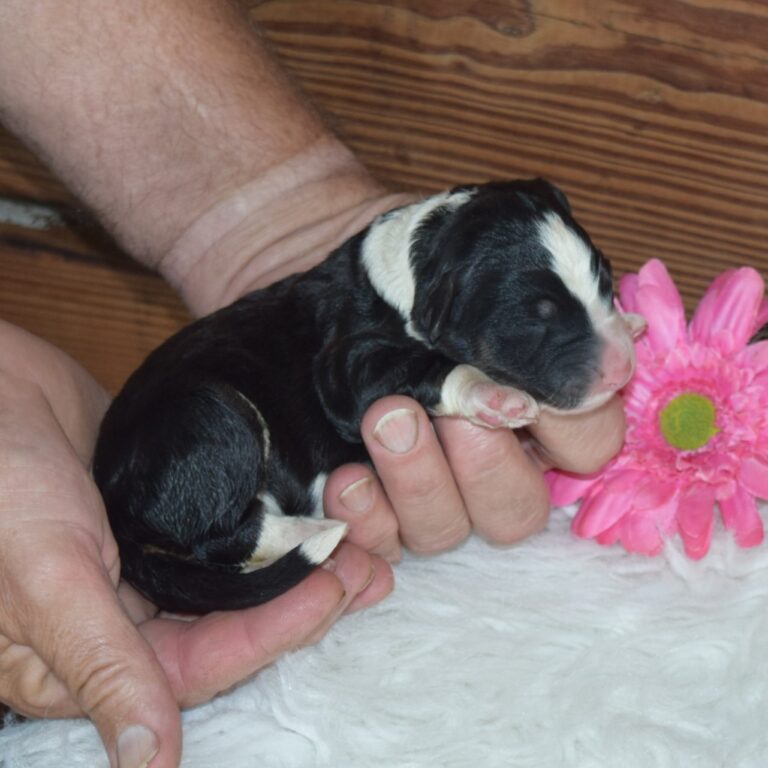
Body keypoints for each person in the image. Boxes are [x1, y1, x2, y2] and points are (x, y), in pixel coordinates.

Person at [0, 2, 626, 766]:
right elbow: (360, 376)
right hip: (170, 475)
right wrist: (460, 388)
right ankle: (242, 537)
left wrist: (281, 209)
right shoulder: (377, 327)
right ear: (443, 302)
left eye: (607, 292)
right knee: (219, 424)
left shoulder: (396, 289)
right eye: (543, 317)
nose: (611, 355)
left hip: (176, 474)